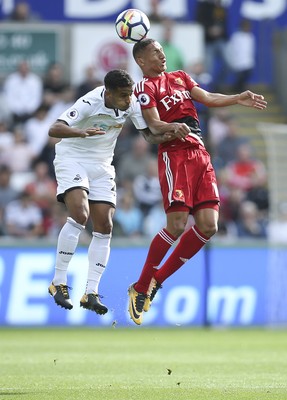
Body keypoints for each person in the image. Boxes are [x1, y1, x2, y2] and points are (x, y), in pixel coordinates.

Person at [127, 38, 267, 325]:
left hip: (200, 154)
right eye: (156, 52)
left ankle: (155, 282)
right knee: (176, 225)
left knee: (209, 225)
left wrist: (236, 97)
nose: (162, 56)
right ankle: (140, 286)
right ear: (141, 60)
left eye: (163, 51)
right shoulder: (145, 87)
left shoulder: (180, 77)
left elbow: (207, 97)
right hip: (175, 155)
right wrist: (171, 126)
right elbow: (153, 123)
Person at [47, 69, 173, 314]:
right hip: (73, 158)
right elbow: (55, 129)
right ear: (109, 92)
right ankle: (59, 282)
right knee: (80, 214)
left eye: (130, 95)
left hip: (103, 165)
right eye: (124, 96)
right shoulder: (90, 102)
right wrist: (81, 132)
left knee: (105, 225)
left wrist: (167, 134)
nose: (129, 100)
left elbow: (147, 135)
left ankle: (90, 292)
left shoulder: (131, 101)